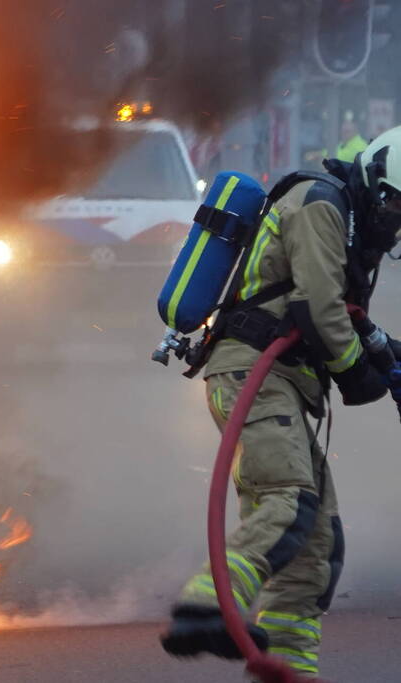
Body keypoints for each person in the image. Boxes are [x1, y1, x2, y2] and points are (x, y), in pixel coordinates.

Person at [160, 126, 401, 678]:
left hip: (282, 382)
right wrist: (357, 375)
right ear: (377, 182)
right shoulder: (320, 205)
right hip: (250, 372)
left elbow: (345, 314)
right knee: (287, 498)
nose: (397, 221)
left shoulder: (352, 221)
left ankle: (291, 667)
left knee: (317, 547)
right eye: (398, 206)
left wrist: (385, 358)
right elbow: (318, 305)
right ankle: (205, 607)